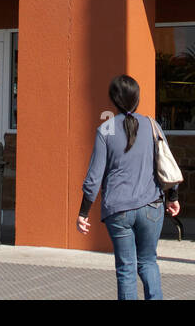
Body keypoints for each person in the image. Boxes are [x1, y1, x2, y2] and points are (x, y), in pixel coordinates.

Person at [77, 75, 181, 300]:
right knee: (148, 262)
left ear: (113, 99)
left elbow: (94, 178)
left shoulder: (105, 130)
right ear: (137, 98)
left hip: (118, 210)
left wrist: (83, 212)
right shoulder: (153, 125)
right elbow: (166, 163)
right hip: (152, 207)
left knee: (126, 269)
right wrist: (173, 197)